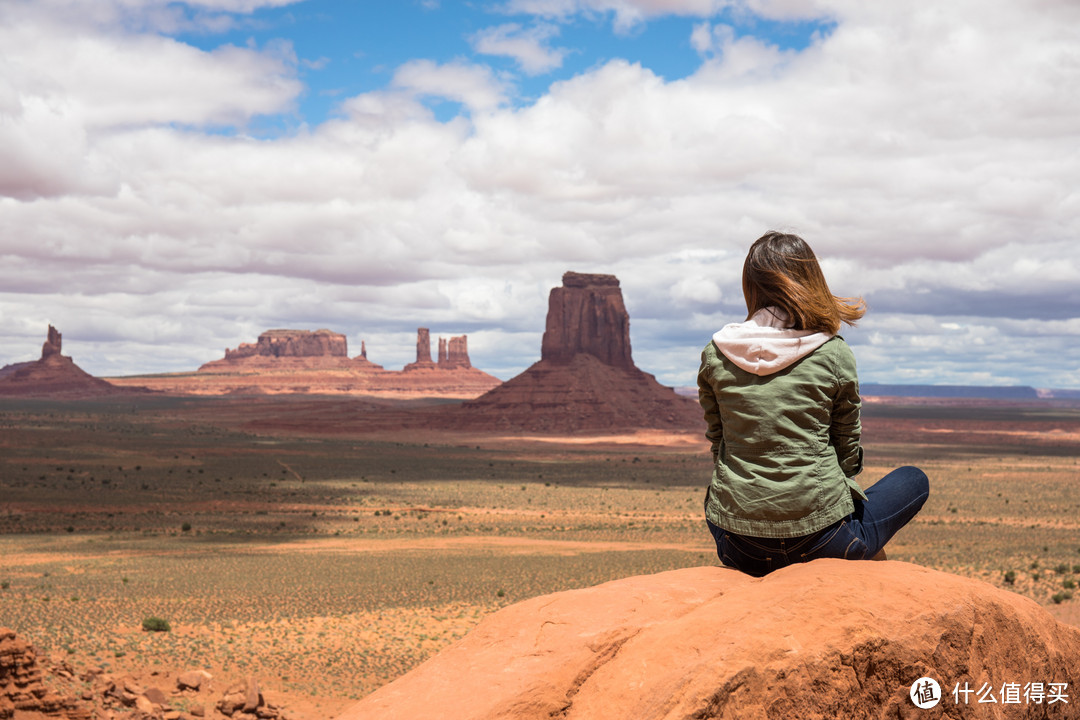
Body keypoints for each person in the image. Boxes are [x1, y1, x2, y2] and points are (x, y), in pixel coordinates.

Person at [698, 231, 929, 577]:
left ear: (751, 285)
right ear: (809, 280)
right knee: (914, 479)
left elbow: (720, 444)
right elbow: (847, 450)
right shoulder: (833, 352)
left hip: (738, 545)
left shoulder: (716, 353)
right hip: (822, 541)